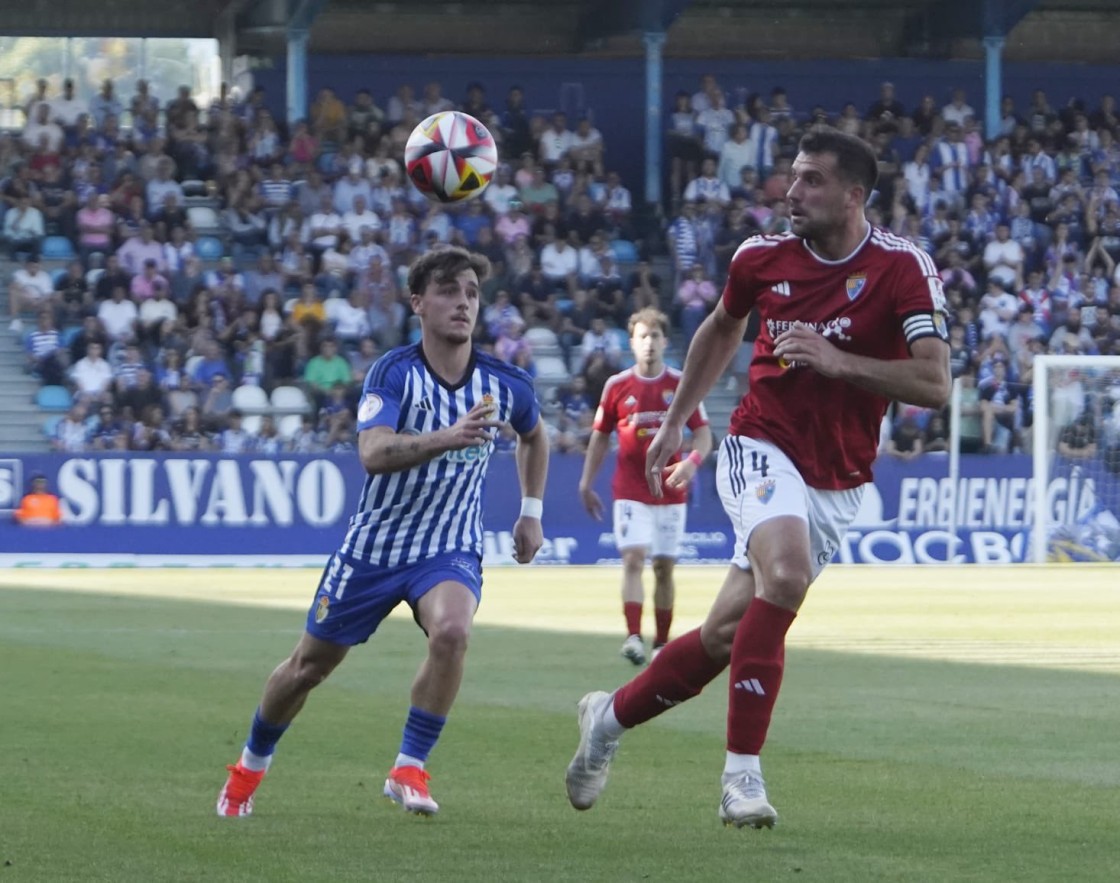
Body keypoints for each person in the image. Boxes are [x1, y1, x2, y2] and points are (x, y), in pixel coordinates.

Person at [564, 127, 950, 830]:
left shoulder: (903, 268)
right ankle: (741, 777)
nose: (791, 192)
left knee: (724, 634)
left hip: (840, 474)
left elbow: (934, 382)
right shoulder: (760, 257)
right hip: (760, 442)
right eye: (792, 176)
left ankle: (607, 718)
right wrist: (677, 419)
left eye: (811, 180)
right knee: (788, 573)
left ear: (854, 195)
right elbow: (722, 327)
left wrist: (837, 361)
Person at [216, 246, 550, 819]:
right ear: (417, 302)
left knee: (453, 631)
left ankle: (409, 767)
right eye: (449, 290)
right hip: (374, 548)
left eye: (472, 292)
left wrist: (532, 510)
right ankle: (248, 769)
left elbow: (535, 435)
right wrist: (448, 436)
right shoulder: (395, 373)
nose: (464, 303)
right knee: (307, 668)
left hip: (448, 545)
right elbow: (372, 452)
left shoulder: (505, 382)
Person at [579, 308, 712, 665]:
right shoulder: (616, 386)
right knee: (633, 559)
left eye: (655, 336)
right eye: (642, 336)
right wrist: (586, 482)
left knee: (664, 567)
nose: (649, 343)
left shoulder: (682, 384)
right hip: (630, 489)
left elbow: (703, 435)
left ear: (665, 341)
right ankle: (634, 636)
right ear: (631, 343)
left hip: (670, 489)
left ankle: (662, 644)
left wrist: (691, 462)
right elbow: (600, 437)